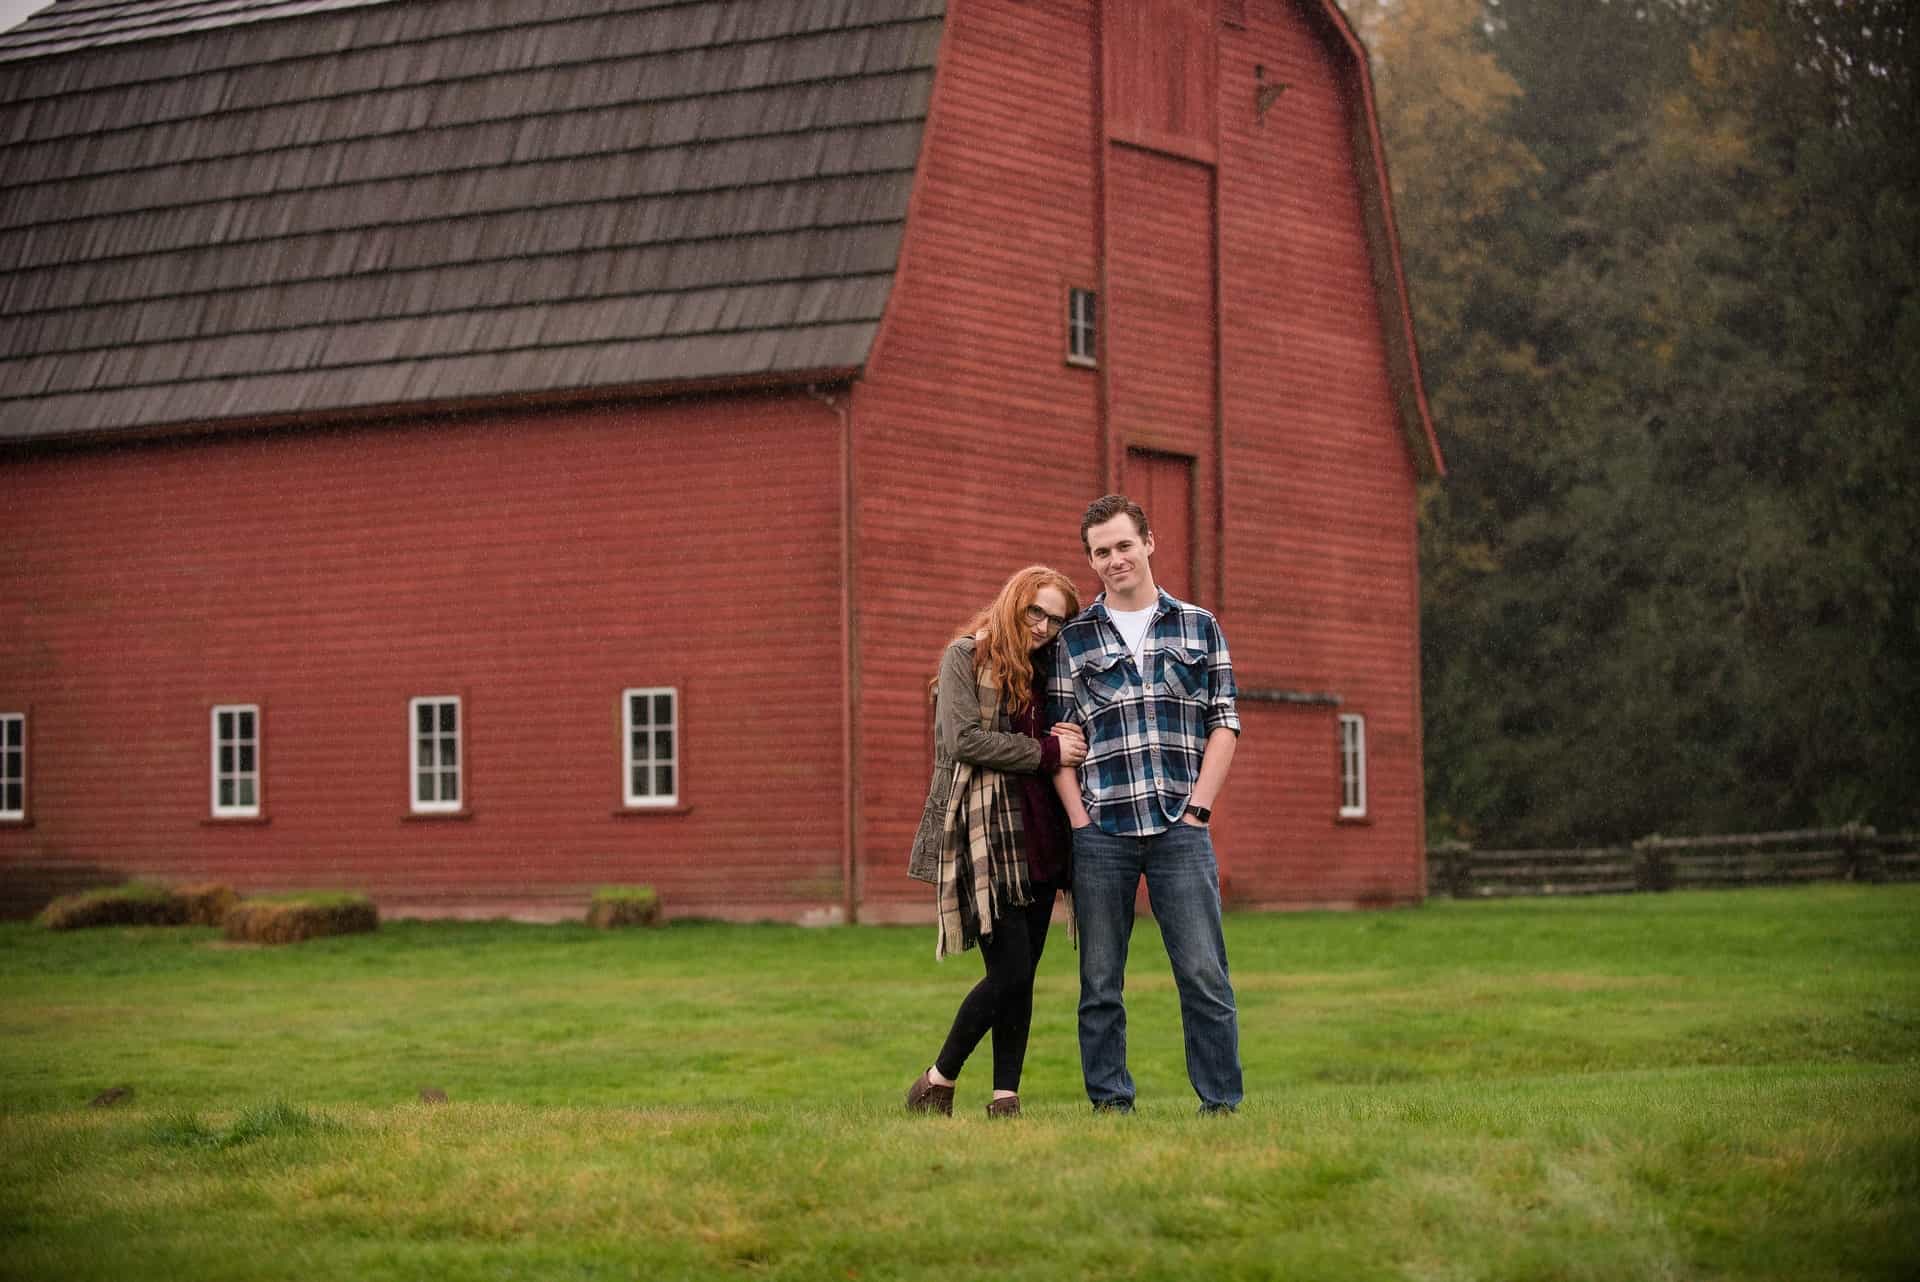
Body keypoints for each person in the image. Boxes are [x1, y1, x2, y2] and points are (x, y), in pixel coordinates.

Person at [1048, 494, 1244, 1115]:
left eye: (1123, 545)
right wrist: (1079, 822)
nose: (1114, 559)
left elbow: (1225, 722)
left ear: (1149, 542)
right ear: (1091, 560)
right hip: (1101, 829)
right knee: (1100, 984)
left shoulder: (1199, 625)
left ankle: (1221, 1106)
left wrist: (1200, 811)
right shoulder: (1072, 641)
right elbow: (1059, 737)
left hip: (1179, 828)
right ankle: (1111, 1106)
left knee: (1205, 977)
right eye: (1100, 552)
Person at [904, 566, 1088, 1118]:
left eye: (1057, 619)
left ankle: (1005, 1096)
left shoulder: (1048, 667)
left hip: (1042, 832)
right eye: (1038, 612)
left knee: (1023, 972)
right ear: (1014, 602)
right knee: (1008, 971)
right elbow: (965, 740)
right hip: (987, 834)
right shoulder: (965, 657)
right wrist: (1048, 752)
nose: (1045, 627)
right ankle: (937, 1078)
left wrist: (1066, 739)